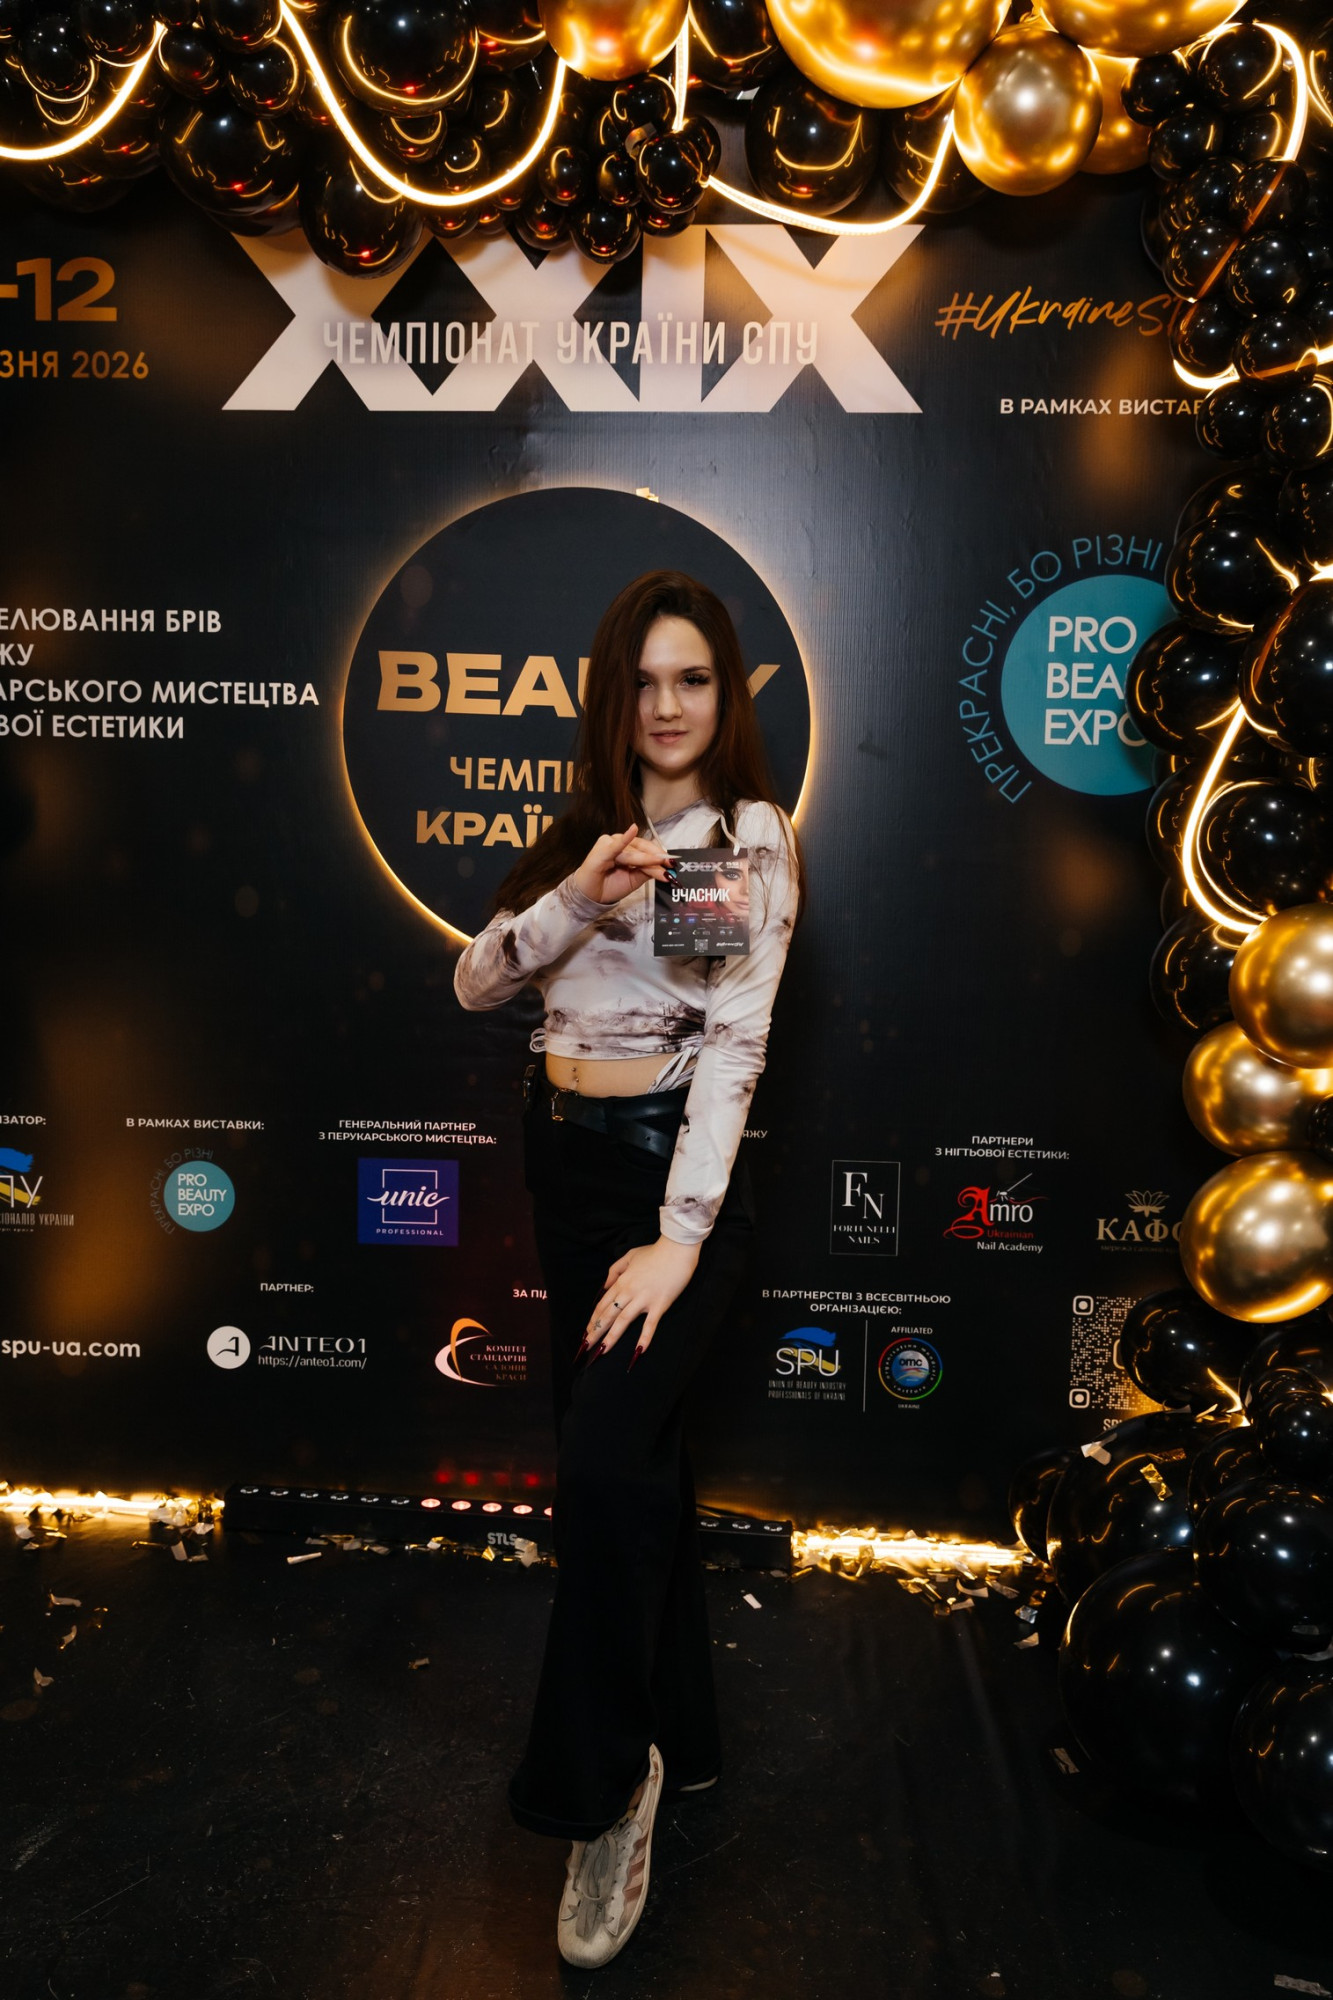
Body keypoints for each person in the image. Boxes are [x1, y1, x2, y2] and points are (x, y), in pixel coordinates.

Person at [453, 569, 804, 1969]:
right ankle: (684, 1735)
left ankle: (601, 1793)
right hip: (566, 1165)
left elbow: (729, 1043)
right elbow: (480, 984)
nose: (668, 705)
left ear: (725, 696)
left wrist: (680, 1236)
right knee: (628, 1468)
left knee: (602, 1470)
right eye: (646, 681)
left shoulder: (741, 839)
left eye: (693, 679)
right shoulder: (581, 843)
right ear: (614, 696)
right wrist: (578, 899)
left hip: (670, 1184)